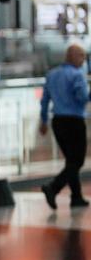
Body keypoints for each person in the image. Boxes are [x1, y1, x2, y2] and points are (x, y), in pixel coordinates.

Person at [39, 44, 90, 209]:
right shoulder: (77, 75)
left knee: (71, 160)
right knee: (78, 160)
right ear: (73, 57)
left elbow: (45, 99)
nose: (83, 61)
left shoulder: (52, 75)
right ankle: (53, 187)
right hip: (74, 121)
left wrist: (43, 120)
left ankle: (76, 196)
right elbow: (82, 97)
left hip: (58, 121)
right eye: (81, 57)